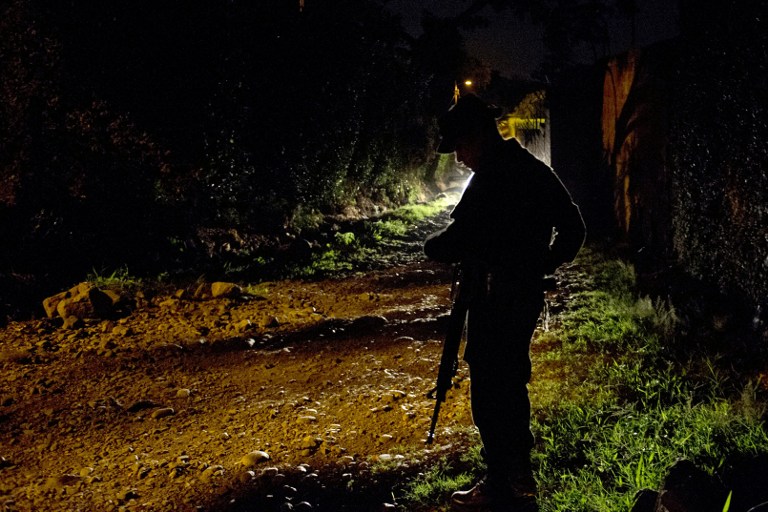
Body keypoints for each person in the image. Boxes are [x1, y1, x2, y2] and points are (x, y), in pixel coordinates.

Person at [424, 93, 586, 511]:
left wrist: (433, 247)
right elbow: (573, 227)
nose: (458, 156)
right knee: (510, 381)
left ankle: (501, 481)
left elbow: (454, 241)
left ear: (478, 134)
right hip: (521, 294)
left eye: (459, 145)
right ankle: (515, 477)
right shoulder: (533, 171)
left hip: (494, 297)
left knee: (493, 389)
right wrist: (542, 265)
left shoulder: (492, 176)